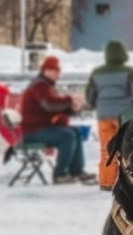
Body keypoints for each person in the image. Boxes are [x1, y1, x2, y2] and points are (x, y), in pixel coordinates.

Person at [20, 55, 94, 185]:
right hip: (33, 130)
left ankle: (76, 170)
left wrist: (72, 108)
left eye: (58, 71)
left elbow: (54, 108)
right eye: (53, 71)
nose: (57, 74)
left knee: (75, 132)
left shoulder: (46, 86)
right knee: (67, 136)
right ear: (45, 71)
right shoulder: (40, 86)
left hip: (43, 127)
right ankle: (60, 174)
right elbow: (49, 104)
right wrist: (70, 100)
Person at [84, 40, 133, 190]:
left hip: (103, 116)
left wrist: (96, 105)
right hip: (124, 115)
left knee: (106, 149)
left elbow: (89, 94)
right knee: (129, 148)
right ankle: (131, 182)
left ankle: (107, 182)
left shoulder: (97, 73)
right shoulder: (128, 72)